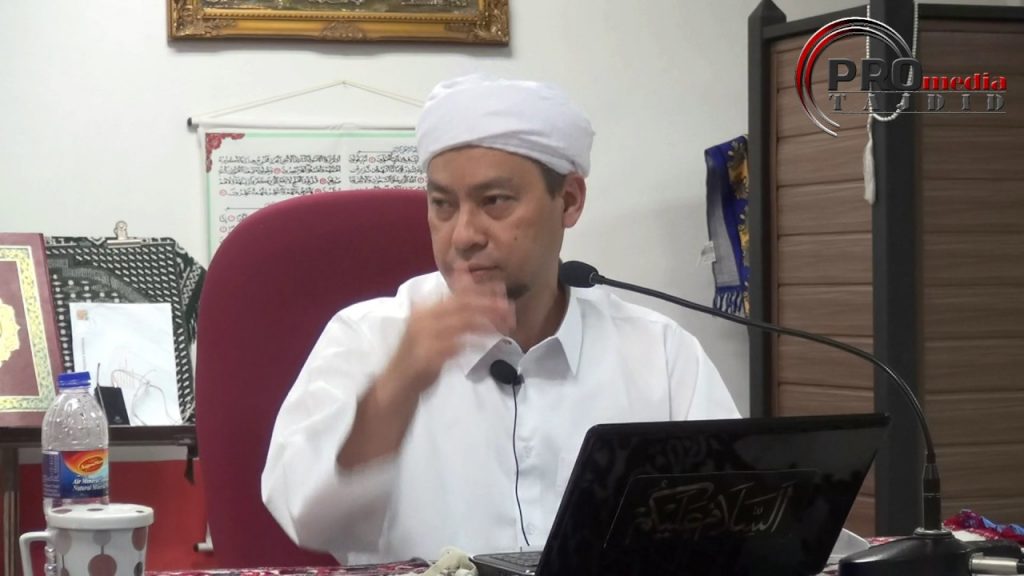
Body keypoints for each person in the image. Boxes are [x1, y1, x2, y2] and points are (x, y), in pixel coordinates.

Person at [261, 74, 740, 565]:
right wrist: (393, 392)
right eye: (443, 205)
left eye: (494, 201)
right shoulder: (369, 339)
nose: (463, 235)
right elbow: (305, 517)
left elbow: (734, 521)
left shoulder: (658, 353)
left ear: (569, 200)